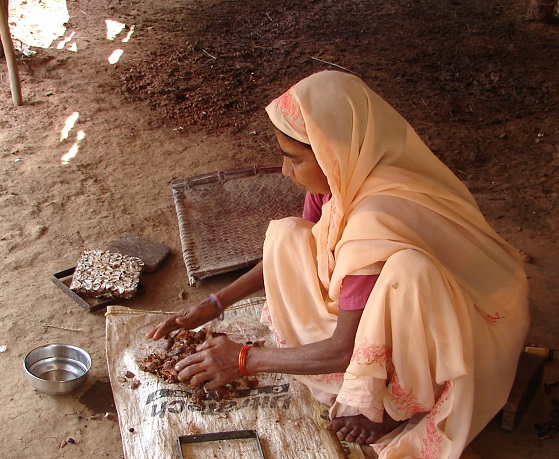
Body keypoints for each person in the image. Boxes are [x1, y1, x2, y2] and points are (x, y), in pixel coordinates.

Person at [147, 70, 530, 458]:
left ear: (332, 154)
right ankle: (365, 371)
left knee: (408, 274)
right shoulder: (342, 179)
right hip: (398, 302)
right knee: (287, 235)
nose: (284, 171)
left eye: (294, 159)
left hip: (467, 328)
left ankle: (398, 404)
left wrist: (242, 360)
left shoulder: (373, 219)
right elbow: (303, 246)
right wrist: (215, 303)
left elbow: (344, 349)